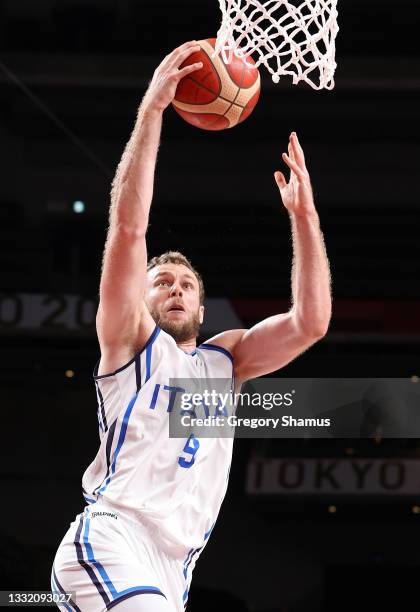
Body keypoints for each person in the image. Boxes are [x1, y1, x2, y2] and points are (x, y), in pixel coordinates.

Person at [51, 40, 332, 612]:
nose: (175, 288)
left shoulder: (223, 363)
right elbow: (129, 228)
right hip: (111, 538)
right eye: (161, 281)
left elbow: (311, 322)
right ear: (141, 298)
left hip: (174, 569)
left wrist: (304, 218)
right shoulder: (128, 341)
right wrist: (152, 112)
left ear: (203, 311)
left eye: (186, 284)